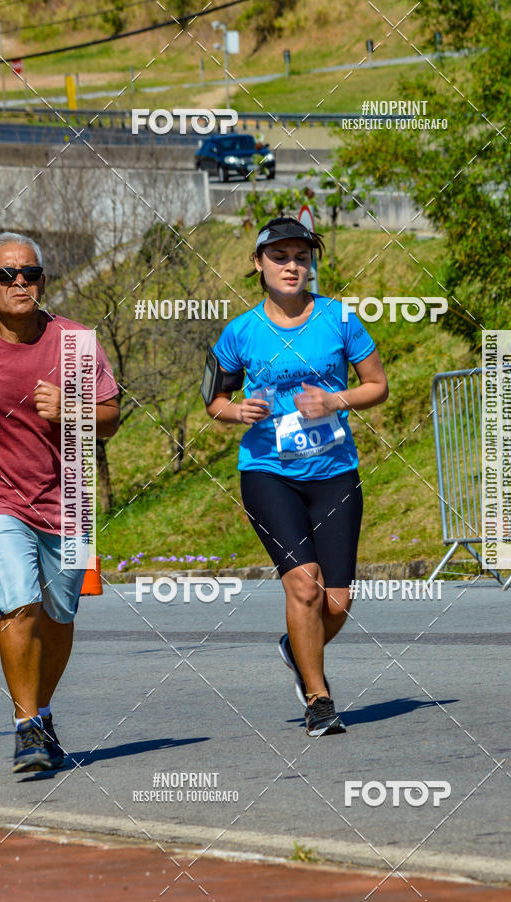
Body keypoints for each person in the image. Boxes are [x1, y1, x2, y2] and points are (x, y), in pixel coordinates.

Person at [205, 217, 388, 736]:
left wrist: (337, 399)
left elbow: (377, 384)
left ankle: (295, 645)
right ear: (258, 264)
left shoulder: (339, 318)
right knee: (303, 587)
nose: (292, 266)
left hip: (335, 472)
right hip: (268, 473)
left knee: (337, 600)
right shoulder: (239, 332)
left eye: (301, 258)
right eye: (280, 257)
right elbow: (213, 399)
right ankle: (319, 699)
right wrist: (233, 412)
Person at [0, 232, 120, 773]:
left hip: (70, 502)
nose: (21, 283)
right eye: (6, 275)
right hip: (0, 500)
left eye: (31, 274)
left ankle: (42, 712)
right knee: (19, 601)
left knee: (60, 614)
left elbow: (111, 419)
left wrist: (71, 408)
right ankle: (25, 727)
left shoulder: (75, 342)